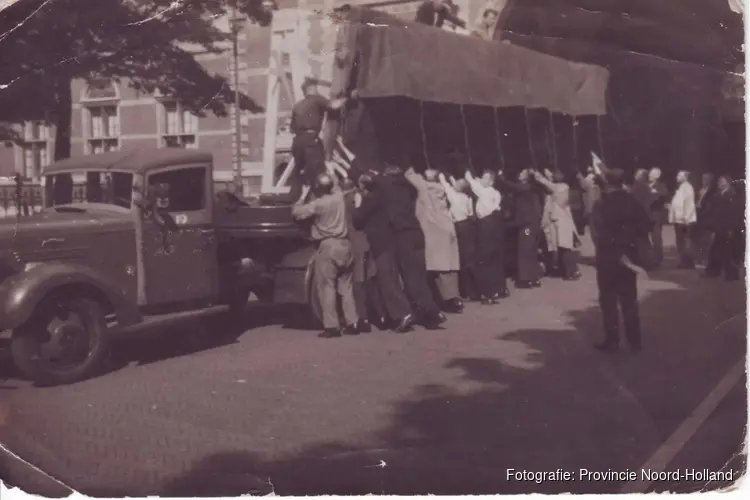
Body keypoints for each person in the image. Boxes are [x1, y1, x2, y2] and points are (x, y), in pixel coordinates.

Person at [376, 163, 446, 329]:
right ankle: (431, 314)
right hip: (417, 232)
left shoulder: (387, 188)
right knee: (419, 277)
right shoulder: (409, 188)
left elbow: (370, 176)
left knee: (411, 279)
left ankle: (432, 312)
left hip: (403, 236)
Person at [590, 168, 651, 352]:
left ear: (607, 183)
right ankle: (635, 341)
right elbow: (644, 226)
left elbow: (598, 234)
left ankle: (613, 340)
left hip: (608, 257)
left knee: (608, 301)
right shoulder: (632, 202)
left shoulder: (600, 204)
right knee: (629, 300)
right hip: (628, 258)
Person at [291, 174, 358, 338]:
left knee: (327, 287)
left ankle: (332, 326)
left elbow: (296, 213)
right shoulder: (339, 198)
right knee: (347, 288)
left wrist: (303, 195)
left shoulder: (318, 204)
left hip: (328, 246)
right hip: (346, 245)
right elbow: (342, 188)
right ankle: (352, 322)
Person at [353, 172, 416, 333]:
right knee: (389, 278)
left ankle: (403, 313)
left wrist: (358, 205)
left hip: (379, 244)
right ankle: (393, 314)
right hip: (389, 241)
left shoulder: (369, 200)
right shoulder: (383, 198)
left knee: (386, 280)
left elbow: (358, 220)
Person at [405, 167, 463, 313]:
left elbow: (410, 175)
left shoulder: (425, 188)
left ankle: (445, 300)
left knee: (437, 267)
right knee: (449, 267)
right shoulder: (442, 189)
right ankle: (454, 298)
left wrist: (410, 167)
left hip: (433, 230)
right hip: (447, 226)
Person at [289, 79, 347, 202]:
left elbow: (292, 129)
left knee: (298, 171)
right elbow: (334, 105)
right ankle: (319, 200)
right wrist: (348, 97)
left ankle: (295, 199)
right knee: (318, 172)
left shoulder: (297, 106)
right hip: (311, 141)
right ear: (312, 88)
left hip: (298, 142)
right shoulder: (316, 99)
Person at [343, 179, 385, 333]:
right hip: (367, 241)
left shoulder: (346, 200)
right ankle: (381, 315)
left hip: (356, 243)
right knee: (372, 280)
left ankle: (363, 318)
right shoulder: (364, 199)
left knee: (358, 281)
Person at [465, 168, 508, 303]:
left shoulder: (485, 191)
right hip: (494, 223)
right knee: (494, 257)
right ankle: (496, 289)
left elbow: (471, 181)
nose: (482, 179)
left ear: (491, 182)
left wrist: (469, 175)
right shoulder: (495, 193)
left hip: (486, 224)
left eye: (485, 178)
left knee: (484, 258)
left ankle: (486, 292)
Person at [497, 168, 543, 288]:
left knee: (525, 249)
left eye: (523, 172)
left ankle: (525, 279)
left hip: (527, 225)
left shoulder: (525, 187)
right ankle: (534, 277)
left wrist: (501, 178)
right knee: (531, 251)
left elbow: (510, 186)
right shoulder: (530, 188)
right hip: (531, 223)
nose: (519, 174)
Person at [439, 172, 480, 301]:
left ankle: (468, 291)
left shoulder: (452, 195)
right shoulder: (467, 198)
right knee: (471, 257)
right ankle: (477, 290)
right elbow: (471, 213)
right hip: (468, 225)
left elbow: (445, 184)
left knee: (463, 259)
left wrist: (441, 174)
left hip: (459, 227)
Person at [535, 169, 581, 281]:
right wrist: (546, 173)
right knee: (561, 247)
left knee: (565, 248)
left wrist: (537, 175)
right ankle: (564, 270)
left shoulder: (561, 187)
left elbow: (546, 183)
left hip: (562, 221)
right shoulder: (561, 187)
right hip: (560, 221)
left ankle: (571, 271)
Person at [705, 175, 742, 282]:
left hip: (727, 228)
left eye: (722, 181)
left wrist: (732, 228)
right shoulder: (718, 195)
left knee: (727, 252)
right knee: (715, 250)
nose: (719, 183)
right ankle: (713, 271)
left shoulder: (731, 195)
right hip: (718, 227)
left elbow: (734, 213)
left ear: (727, 183)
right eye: (719, 181)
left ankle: (732, 275)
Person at [668, 170, 697, 269]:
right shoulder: (681, 188)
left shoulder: (688, 188)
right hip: (679, 219)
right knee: (680, 241)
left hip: (684, 220)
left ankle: (688, 262)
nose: (677, 177)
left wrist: (686, 218)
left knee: (685, 241)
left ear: (685, 177)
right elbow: (678, 203)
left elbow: (689, 204)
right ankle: (683, 261)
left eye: (679, 175)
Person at [647, 167, 669, 268]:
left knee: (656, 237)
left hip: (656, 215)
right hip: (648, 214)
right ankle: (651, 257)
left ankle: (658, 258)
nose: (649, 175)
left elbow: (664, 195)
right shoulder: (647, 185)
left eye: (651, 174)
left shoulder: (660, 185)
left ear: (657, 176)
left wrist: (654, 193)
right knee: (650, 237)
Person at [694, 173, 717, 267]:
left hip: (707, 219)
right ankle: (699, 259)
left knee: (706, 241)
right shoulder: (700, 190)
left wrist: (701, 208)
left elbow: (710, 206)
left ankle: (705, 260)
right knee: (699, 240)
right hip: (698, 218)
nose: (703, 180)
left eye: (706, 179)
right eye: (703, 178)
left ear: (710, 180)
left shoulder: (712, 191)